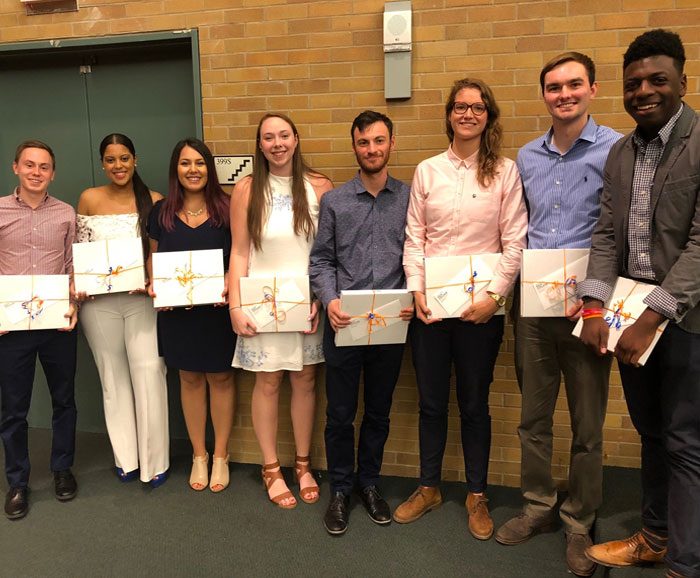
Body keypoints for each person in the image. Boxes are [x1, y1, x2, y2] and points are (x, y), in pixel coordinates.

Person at [493, 54, 622, 576]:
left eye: (573, 85)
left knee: (588, 423)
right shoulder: (526, 156)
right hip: (535, 307)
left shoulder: (617, 150)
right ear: (543, 94)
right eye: (553, 87)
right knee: (533, 418)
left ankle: (578, 520)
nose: (563, 94)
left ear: (592, 88)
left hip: (591, 309)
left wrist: (596, 302)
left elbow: (614, 234)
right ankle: (539, 506)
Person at [578, 29, 700, 578]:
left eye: (657, 80)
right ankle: (653, 537)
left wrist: (651, 317)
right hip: (628, 318)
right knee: (651, 435)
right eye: (633, 84)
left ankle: (684, 563)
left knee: (684, 445)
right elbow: (606, 235)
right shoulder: (622, 152)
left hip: (684, 322)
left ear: (681, 81)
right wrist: (596, 308)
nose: (643, 91)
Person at [395, 79, 528, 539]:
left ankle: (476, 495)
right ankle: (429, 487)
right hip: (431, 312)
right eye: (460, 106)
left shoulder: (505, 173)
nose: (468, 113)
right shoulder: (427, 171)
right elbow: (415, 240)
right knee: (431, 404)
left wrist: (494, 299)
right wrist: (415, 291)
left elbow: (514, 243)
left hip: (479, 314)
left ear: (488, 115)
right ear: (449, 114)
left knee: (473, 404)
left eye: (477, 107)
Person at [309, 110, 412, 534]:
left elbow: (419, 254)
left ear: (391, 143)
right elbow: (321, 260)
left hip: (391, 326)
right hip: (344, 325)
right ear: (354, 146)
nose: (372, 149)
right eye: (363, 142)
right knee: (340, 414)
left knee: (379, 412)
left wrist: (414, 296)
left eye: (379, 140)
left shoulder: (409, 197)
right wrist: (329, 299)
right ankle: (339, 489)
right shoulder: (334, 201)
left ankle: (369, 484)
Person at [229, 113, 333, 509]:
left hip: (307, 304)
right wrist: (235, 307)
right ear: (259, 145)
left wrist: (322, 296)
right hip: (261, 304)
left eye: (284, 135)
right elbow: (239, 251)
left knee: (306, 380)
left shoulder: (320, 186)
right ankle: (271, 467)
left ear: (296, 138)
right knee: (268, 383)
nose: (277, 143)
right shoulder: (247, 189)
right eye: (268, 137)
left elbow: (329, 252)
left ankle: (303, 465)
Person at [75, 133, 169, 487]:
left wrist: (152, 279)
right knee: (112, 379)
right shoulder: (89, 198)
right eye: (111, 159)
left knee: (149, 372)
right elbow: (80, 249)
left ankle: (155, 460)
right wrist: (81, 283)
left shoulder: (154, 199)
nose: (118, 166)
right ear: (102, 163)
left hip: (142, 300)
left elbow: (158, 253)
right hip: (99, 305)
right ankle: (126, 458)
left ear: (135, 160)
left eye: (125, 158)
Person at [148, 138, 236, 493]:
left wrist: (231, 282)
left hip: (217, 312)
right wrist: (158, 288)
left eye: (199, 163)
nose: (193, 170)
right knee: (188, 379)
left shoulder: (229, 209)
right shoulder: (161, 211)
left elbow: (241, 256)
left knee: (221, 379)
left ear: (209, 169)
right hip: (177, 312)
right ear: (176, 170)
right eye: (185, 163)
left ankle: (222, 456)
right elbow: (154, 259)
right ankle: (200, 454)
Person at [1, 141, 79, 519]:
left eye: (44, 166)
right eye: (29, 165)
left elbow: (71, 266)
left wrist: (75, 305)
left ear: (52, 173)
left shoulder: (66, 214)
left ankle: (62, 469)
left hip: (57, 323)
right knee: (14, 409)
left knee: (64, 400)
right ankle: (17, 482)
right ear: (16, 167)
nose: (36, 172)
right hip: (11, 328)